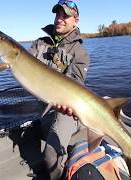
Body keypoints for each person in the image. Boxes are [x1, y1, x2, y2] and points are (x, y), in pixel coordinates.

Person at [28, 0, 90, 179]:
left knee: (51, 155)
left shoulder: (80, 53)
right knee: (30, 137)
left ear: (75, 20)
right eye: (57, 14)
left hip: (68, 111)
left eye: (65, 16)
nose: (59, 19)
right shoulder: (39, 43)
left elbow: (76, 83)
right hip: (45, 108)